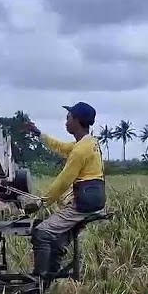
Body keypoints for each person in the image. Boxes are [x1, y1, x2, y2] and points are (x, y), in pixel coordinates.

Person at [25, 102, 106, 281]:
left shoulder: (80, 151)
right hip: (93, 199)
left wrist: (41, 202)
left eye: (68, 118)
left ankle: (38, 281)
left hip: (82, 204)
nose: (66, 122)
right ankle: (47, 281)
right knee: (55, 242)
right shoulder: (89, 142)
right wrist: (39, 134)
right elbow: (61, 147)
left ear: (77, 121)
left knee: (42, 232)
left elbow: (64, 181)